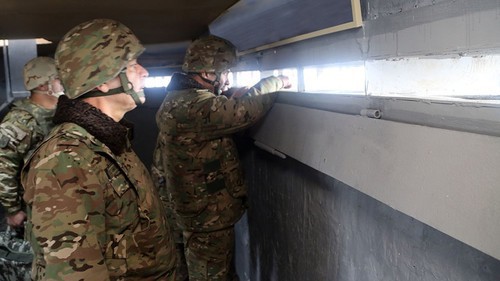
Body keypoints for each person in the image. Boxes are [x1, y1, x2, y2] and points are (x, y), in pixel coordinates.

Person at [20, 19, 177, 280]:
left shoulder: (107, 140)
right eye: (131, 65)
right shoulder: (65, 161)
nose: (144, 72)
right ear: (103, 81)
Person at [154, 34, 291, 281]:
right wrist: (275, 81)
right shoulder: (193, 105)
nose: (227, 78)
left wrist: (229, 95)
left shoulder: (178, 99)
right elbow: (244, 112)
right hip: (206, 216)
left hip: (196, 211)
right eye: (225, 71)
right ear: (208, 73)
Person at [0, 56, 63, 281]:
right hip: (32, 211)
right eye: (58, 78)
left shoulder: (60, 114)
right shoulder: (19, 121)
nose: (63, 82)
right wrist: (13, 209)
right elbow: (3, 168)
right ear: (43, 85)